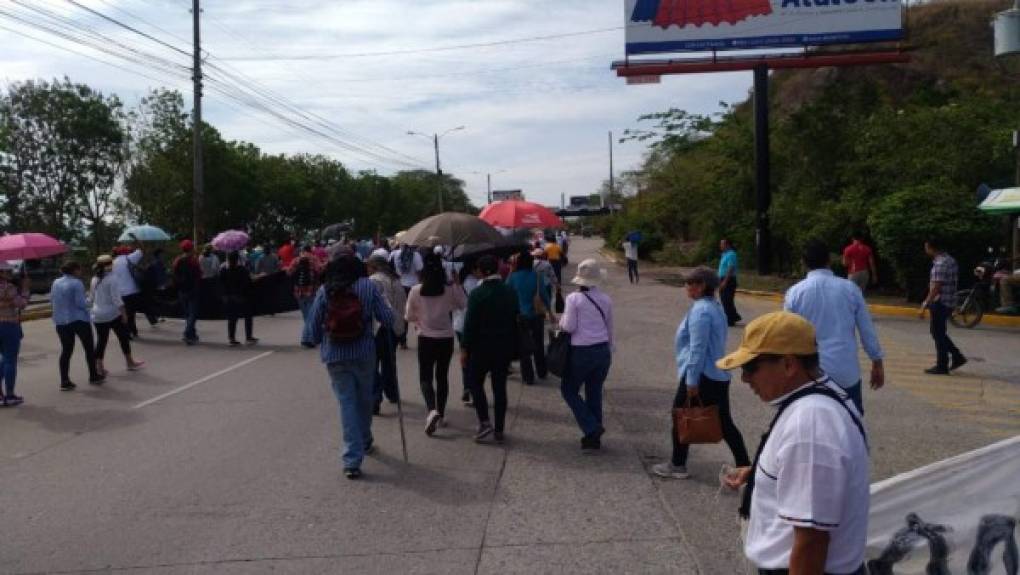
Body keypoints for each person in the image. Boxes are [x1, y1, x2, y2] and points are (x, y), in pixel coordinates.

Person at [718, 312, 869, 575]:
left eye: (751, 367)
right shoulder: (822, 394)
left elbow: (811, 540)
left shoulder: (810, 424)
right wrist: (761, 475)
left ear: (789, 365)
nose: (745, 378)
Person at [302, 252, 393, 480]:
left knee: (347, 403)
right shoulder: (368, 286)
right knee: (364, 399)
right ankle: (364, 440)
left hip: (335, 354)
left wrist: (312, 339)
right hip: (363, 351)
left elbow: (313, 324)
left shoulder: (326, 289)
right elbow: (387, 318)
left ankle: (352, 459)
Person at [652, 266, 751, 478]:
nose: (686, 287)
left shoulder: (701, 311)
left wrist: (691, 381)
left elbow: (698, 348)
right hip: (715, 373)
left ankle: (678, 465)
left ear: (702, 286)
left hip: (702, 375)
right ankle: (745, 465)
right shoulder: (712, 306)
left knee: (681, 415)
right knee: (723, 422)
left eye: (690, 283)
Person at [785, 240, 884, 414]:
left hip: (809, 375)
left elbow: (787, 336)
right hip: (845, 374)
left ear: (803, 262)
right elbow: (867, 330)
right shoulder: (850, 289)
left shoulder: (795, 293)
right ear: (829, 260)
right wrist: (877, 362)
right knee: (851, 429)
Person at [405, 252, 467, 435]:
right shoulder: (449, 287)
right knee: (442, 376)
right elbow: (464, 304)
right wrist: (457, 284)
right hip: (446, 338)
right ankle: (440, 412)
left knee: (425, 376)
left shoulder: (416, 290)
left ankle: (431, 410)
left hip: (425, 337)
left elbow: (408, 316)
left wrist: (420, 319)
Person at [558, 258, 614, 452]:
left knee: (569, 390)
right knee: (594, 392)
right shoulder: (606, 299)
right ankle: (593, 439)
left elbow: (569, 326)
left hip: (581, 351)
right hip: (602, 351)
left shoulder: (574, 299)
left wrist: (562, 321)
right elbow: (609, 328)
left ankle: (592, 427)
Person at [461, 255, 519, 443]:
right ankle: (500, 428)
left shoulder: (478, 294)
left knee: (475, 383)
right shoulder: (509, 291)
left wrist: (464, 349)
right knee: (499, 387)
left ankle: (485, 422)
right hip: (504, 345)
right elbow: (515, 316)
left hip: (481, 347)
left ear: (482, 271)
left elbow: (469, 324)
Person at [51, 261, 104, 390]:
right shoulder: (76, 283)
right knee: (89, 348)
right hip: (78, 320)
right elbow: (81, 303)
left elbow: (52, 299)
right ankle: (93, 375)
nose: (81, 272)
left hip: (61, 321)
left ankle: (64, 380)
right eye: (79, 269)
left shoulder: (56, 282)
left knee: (66, 350)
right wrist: (90, 299)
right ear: (74, 270)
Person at [89, 255, 144, 375]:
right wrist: (124, 314)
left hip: (98, 314)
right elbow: (117, 299)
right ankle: (130, 362)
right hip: (113, 314)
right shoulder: (112, 278)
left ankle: (99, 367)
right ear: (110, 265)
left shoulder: (94, 279)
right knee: (123, 337)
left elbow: (91, 298)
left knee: (101, 341)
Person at [920, 238, 966, 375]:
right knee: (939, 333)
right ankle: (956, 356)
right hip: (950, 300)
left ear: (931, 248)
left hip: (940, 302)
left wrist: (925, 304)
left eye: (926, 247)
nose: (925, 250)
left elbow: (936, 287)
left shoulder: (940, 264)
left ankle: (942, 365)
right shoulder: (950, 260)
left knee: (938, 334)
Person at [505, 251, 551, 385]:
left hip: (520, 316)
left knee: (524, 347)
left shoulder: (513, 277)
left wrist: (510, 272)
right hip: (536, 315)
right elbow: (543, 295)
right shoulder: (537, 276)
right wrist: (550, 312)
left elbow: (506, 290)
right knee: (538, 344)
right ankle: (542, 371)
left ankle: (528, 377)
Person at [367, 253, 405, 414]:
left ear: (373, 267)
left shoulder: (373, 281)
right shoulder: (396, 280)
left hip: (378, 326)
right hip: (395, 325)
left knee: (373, 364)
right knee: (389, 362)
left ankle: (375, 398)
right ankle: (392, 392)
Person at [0, 261, 29, 406]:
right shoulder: (9, 287)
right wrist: (24, 289)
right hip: (8, 325)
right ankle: (10, 395)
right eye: (8, 272)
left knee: (3, 360)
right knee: (10, 360)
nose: (10, 274)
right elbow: (22, 304)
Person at [453, 261, 481, 406]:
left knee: (465, 358)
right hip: (473, 326)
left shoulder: (459, 284)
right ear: (474, 269)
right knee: (474, 360)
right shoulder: (477, 284)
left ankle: (467, 388)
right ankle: (473, 390)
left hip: (459, 325)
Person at [219, 251, 258, 346]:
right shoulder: (242, 270)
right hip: (241, 297)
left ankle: (231, 338)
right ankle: (248, 337)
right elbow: (247, 283)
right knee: (248, 316)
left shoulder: (223, 270)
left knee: (232, 318)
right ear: (237, 259)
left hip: (228, 297)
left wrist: (224, 296)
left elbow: (220, 284)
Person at [389, 244, 423, 349]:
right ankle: (422, 336)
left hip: (401, 285)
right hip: (414, 286)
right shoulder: (416, 255)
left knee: (404, 313)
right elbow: (419, 271)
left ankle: (402, 340)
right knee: (419, 312)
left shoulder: (396, 254)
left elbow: (394, 270)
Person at [112, 238, 148, 337]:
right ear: (126, 253)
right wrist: (138, 239)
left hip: (120, 292)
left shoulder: (113, 262)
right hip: (131, 291)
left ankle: (128, 331)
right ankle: (132, 331)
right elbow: (142, 250)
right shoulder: (129, 258)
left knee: (125, 313)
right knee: (131, 313)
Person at [172, 240, 202, 345]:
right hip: (192, 290)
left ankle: (192, 334)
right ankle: (187, 333)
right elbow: (199, 275)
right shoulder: (193, 261)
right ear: (191, 249)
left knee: (187, 314)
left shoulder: (177, 260)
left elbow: (174, 275)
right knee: (193, 314)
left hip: (181, 290)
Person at [288, 245, 322, 323]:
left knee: (304, 313)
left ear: (302, 251)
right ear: (310, 251)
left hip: (299, 290)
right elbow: (320, 270)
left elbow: (289, 272)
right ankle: (310, 329)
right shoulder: (314, 259)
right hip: (312, 290)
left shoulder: (296, 260)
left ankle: (307, 327)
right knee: (312, 312)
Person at [718, 238, 742, 326]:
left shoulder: (731, 254)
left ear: (728, 245)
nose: (720, 246)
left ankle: (730, 319)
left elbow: (730, 268)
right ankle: (733, 316)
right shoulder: (724, 254)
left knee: (727, 299)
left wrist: (725, 281)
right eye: (720, 244)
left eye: (722, 244)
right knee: (724, 299)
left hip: (728, 279)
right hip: (722, 278)